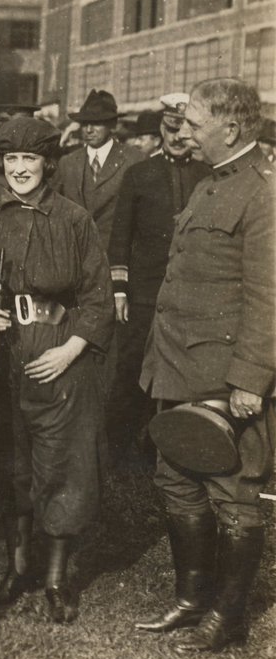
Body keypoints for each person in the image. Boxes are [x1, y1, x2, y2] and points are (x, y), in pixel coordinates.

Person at [0, 116, 113, 624]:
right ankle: (18, 563)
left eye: (31, 159)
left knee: (61, 465)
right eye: (13, 160)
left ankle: (55, 577)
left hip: (58, 358)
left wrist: (70, 351)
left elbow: (97, 299)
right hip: (0, 358)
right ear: (1, 164)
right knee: (10, 462)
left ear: (48, 163)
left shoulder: (73, 220)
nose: (21, 169)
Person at [135, 78, 275, 653]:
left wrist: (249, 379)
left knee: (234, 492)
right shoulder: (212, 182)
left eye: (193, 123)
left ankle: (229, 615)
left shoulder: (263, 193)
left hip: (223, 374)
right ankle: (193, 599)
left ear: (232, 128)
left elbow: (270, 295)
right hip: (178, 362)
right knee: (175, 479)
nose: (183, 132)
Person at [106, 94, 210, 466]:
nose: (179, 135)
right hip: (145, 292)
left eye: (186, 128)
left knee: (181, 372)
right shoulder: (139, 174)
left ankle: (162, 447)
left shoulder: (206, 174)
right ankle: (117, 448)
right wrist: (120, 289)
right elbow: (120, 236)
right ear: (161, 128)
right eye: (171, 127)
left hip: (190, 294)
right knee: (133, 367)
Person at [53, 89, 146, 252]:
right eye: (84, 124)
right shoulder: (67, 163)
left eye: (96, 123)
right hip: (73, 253)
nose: (89, 130)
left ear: (112, 125)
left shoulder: (134, 160)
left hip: (115, 255)